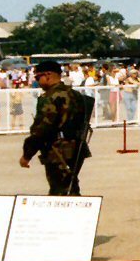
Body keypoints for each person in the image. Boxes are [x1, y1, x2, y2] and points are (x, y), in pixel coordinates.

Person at [19, 60, 93, 195]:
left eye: (38, 77)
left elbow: (42, 129)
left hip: (58, 150)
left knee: (60, 190)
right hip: (77, 148)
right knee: (70, 185)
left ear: (48, 75)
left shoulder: (50, 97)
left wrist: (27, 154)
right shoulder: (75, 95)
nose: (37, 81)